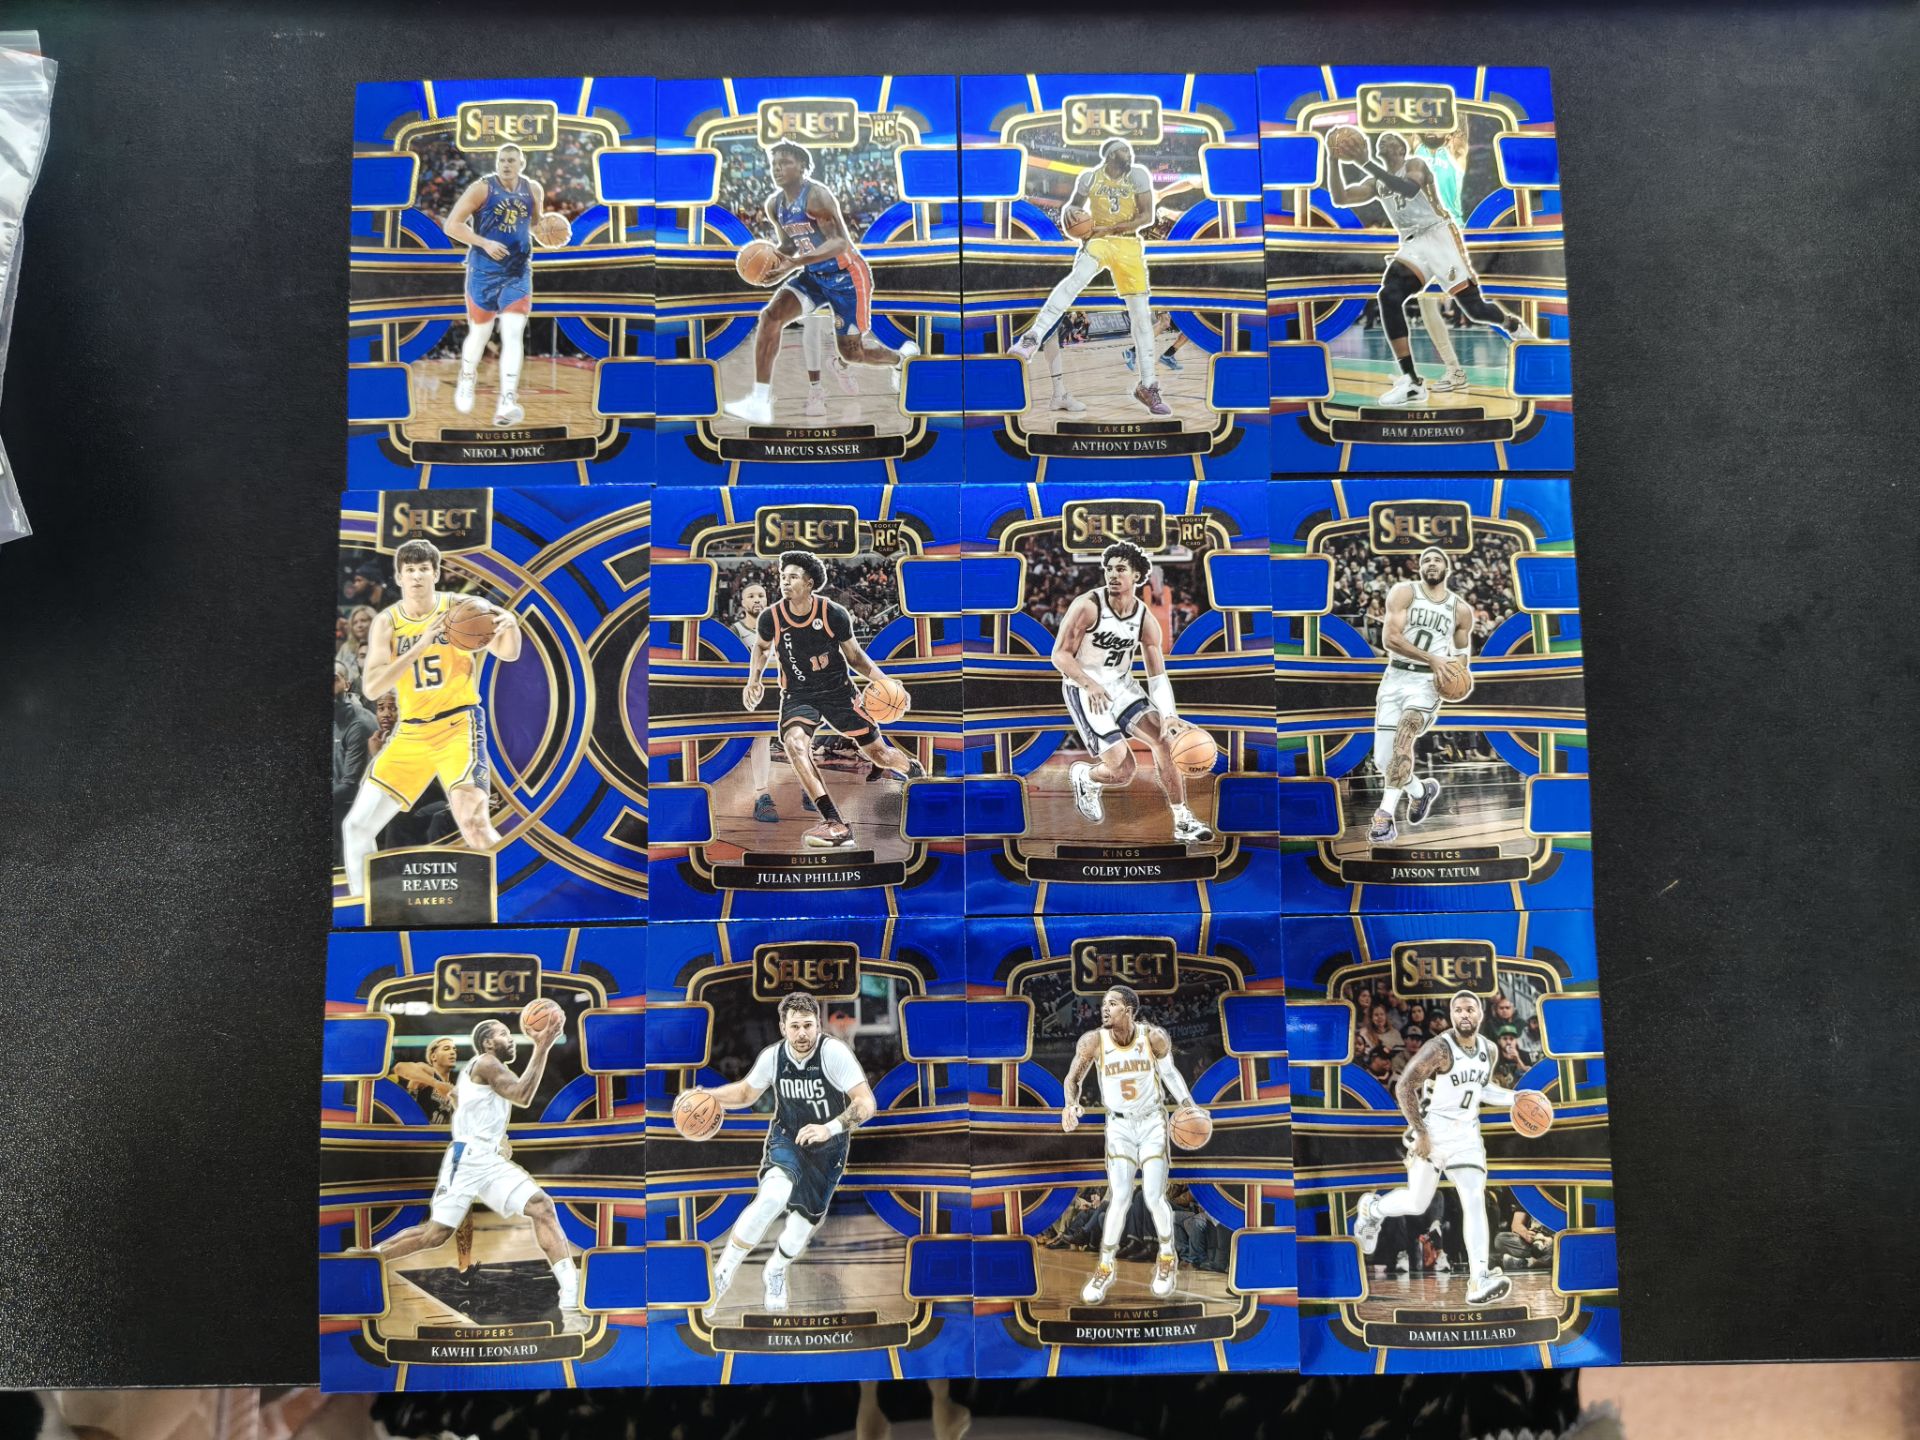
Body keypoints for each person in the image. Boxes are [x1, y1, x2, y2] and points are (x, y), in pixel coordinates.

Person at [356, 1019, 583, 1330]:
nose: (511, 1039)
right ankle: (369, 1257)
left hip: (488, 1159)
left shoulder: (477, 1071)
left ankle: (570, 1292)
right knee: (435, 1235)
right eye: (504, 1034)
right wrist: (542, 1046)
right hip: (466, 1161)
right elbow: (522, 1095)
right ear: (488, 1043)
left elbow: (467, 1103)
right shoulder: (487, 1062)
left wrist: (494, 1136)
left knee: (542, 1206)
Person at [339, 540, 523, 898]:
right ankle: (365, 910)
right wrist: (421, 644)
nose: (417, 576)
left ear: (436, 573)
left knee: (473, 822)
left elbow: (509, 652)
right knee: (357, 826)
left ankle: (515, 897)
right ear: (398, 577)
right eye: (410, 570)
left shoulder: (462, 608)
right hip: (411, 733)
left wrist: (510, 625)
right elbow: (374, 688)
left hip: (457, 726)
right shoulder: (387, 622)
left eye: (424, 569)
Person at [690, 993, 876, 1316]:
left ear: (818, 1024)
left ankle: (775, 1269)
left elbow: (866, 1102)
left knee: (799, 1231)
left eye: (808, 1025)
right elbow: (746, 1092)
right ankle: (722, 1274)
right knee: (771, 1197)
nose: (802, 1033)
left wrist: (830, 1128)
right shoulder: (773, 1057)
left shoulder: (833, 1053)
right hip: (787, 1140)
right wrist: (711, 1096)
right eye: (795, 1026)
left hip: (828, 1150)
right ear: (783, 1027)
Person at [1325, 128, 1533, 406]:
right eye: (1381, 139)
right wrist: (1333, 159)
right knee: (1389, 295)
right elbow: (1340, 198)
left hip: (1439, 234)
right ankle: (1412, 381)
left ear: (1401, 149)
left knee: (1474, 309)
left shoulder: (1415, 164)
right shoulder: (1376, 183)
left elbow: (1410, 189)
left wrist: (1364, 162)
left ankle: (1512, 325)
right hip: (1413, 244)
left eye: (1391, 139)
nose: (1384, 140)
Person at [1351, 991, 1529, 1306]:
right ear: (1451, 1015)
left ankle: (1479, 1279)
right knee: (1417, 1202)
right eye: (1458, 1009)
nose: (1464, 1014)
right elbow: (1405, 1086)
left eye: (1470, 1009)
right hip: (1432, 1133)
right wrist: (1420, 1132)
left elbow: (1481, 1088)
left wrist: (1515, 1098)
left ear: (1480, 1015)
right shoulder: (1439, 1048)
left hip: (1467, 1138)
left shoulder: (1488, 1049)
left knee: (1474, 1199)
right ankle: (1372, 1210)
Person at [723, 142, 918, 426]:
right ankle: (759, 401)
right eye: (774, 163)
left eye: (785, 162)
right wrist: (775, 266)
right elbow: (789, 244)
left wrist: (795, 264)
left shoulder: (816, 196)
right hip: (814, 276)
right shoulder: (775, 205)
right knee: (770, 317)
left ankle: (900, 361)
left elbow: (839, 243)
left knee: (852, 354)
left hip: (847, 277)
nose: (777, 168)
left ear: (802, 166)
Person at [741, 549, 924, 850]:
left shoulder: (832, 613)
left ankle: (913, 770)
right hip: (799, 695)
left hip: (839, 692)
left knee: (880, 755)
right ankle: (834, 822)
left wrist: (885, 681)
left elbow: (856, 657)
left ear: (809, 582)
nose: (785, 582)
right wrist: (754, 680)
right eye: (783, 576)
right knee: (794, 744)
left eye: (793, 577)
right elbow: (761, 647)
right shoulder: (771, 617)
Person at [1050, 540, 1213, 847]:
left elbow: (1156, 674)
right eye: (1109, 569)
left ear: (1137, 575)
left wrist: (1169, 715)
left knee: (1164, 738)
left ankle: (1183, 820)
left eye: (1120, 569)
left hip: (1121, 685)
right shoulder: (1087, 606)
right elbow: (1059, 655)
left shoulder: (1144, 619)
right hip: (1084, 688)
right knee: (1124, 771)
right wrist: (1089, 684)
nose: (1113, 575)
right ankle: (1086, 777)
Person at [1059, 985, 1209, 1303]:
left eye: (1112, 1004)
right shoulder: (1093, 1041)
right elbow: (1072, 1079)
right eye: (1103, 1003)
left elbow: (1170, 1074)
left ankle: (1166, 1257)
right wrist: (1070, 1105)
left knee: (1154, 1196)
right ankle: (1104, 1267)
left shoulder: (1153, 1037)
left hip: (1152, 1122)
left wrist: (1189, 1105)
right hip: (1119, 1126)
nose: (1104, 1008)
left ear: (1128, 1010)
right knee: (1120, 1198)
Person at [1005, 139, 1171, 417]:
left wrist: (1113, 228)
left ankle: (1148, 386)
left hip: (1127, 243)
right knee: (1076, 279)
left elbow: (1146, 216)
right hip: (1099, 241)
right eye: (1123, 151)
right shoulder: (1090, 178)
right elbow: (1072, 209)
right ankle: (1031, 338)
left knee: (1142, 318)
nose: (1128, 154)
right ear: (1110, 155)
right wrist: (1076, 224)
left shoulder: (1138, 175)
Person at [1368, 546, 1473, 844]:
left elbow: (1462, 654)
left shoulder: (1460, 610)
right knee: (1383, 760)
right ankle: (1420, 791)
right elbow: (1390, 638)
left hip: (1427, 683)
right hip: (1395, 678)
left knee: (1405, 733)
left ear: (1446, 568)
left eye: (1437, 559)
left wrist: (1455, 675)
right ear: (1419, 567)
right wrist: (1433, 658)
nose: (1431, 563)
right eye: (1426, 560)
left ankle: (1384, 816)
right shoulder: (1404, 593)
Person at [442, 142, 547, 427]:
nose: (506, 165)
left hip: (517, 272)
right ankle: (467, 376)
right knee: (480, 334)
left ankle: (507, 400)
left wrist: (550, 231)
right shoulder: (482, 189)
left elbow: (534, 224)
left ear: (522, 164)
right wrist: (484, 242)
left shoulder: (533, 190)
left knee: (513, 334)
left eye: (511, 160)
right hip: (483, 272)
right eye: (502, 160)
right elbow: (452, 225)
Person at [1410, 123, 1471, 393]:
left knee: (1475, 300)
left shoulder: (1455, 150)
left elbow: (1460, 122)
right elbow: (1412, 119)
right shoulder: (1417, 148)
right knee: (1425, 302)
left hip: (1454, 232)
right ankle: (1453, 369)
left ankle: (1516, 331)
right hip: (1424, 234)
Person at [733, 581, 781, 822]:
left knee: (799, 735)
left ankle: (808, 791)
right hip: (749, 694)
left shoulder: (779, 629)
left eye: (761, 595)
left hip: (778, 690)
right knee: (760, 738)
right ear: (742, 603)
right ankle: (761, 795)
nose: (757, 600)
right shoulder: (734, 632)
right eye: (751, 596)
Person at [332, 661, 377, 858]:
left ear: (347, 685)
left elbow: (350, 785)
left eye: (334, 679)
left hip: (353, 805)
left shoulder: (358, 724)